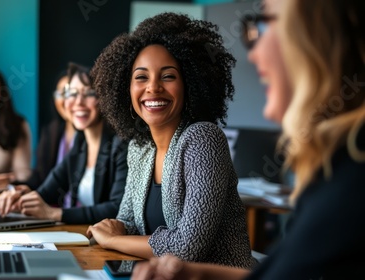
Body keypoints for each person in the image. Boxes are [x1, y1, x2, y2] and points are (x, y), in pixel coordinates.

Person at [132, 0, 365, 279]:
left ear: (323, 37)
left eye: (264, 24)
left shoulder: (355, 174)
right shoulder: (333, 164)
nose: (253, 53)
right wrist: (193, 273)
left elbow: (185, 245)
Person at [86, 12, 256, 269]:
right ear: (125, 88)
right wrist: (114, 229)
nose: (153, 88)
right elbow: (127, 222)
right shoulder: (140, 149)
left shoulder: (203, 140)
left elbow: (186, 249)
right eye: (141, 77)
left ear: (189, 84)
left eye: (168, 76)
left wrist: (112, 240)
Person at [0, 62, 129, 224]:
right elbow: (46, 192)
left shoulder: (121, 145)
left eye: (89, 93)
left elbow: (117, 208)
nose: (78, 102)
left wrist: (56, 214)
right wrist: (20, 196)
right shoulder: (80, 144)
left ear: (104, 99)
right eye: (72, 93)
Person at [26, 73, 76, 190]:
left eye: (72, 93)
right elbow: (39, 178)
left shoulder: (94, 138)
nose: (66, 100)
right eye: (61, 94)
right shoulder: (50, 133)